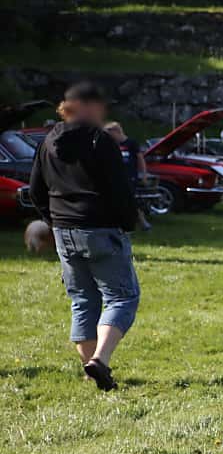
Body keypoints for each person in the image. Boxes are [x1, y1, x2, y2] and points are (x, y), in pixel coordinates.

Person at [28, 82, 141, 391]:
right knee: (122, 297)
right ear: (87, 107)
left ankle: (92, 370)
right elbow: (119, 189)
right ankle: (100, 362)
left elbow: (36, 190)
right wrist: (129, 221)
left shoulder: (48, 141)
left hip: (65, 231)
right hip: (101, 229)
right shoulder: (100, 140)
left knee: (82, 301)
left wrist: (53, 221)